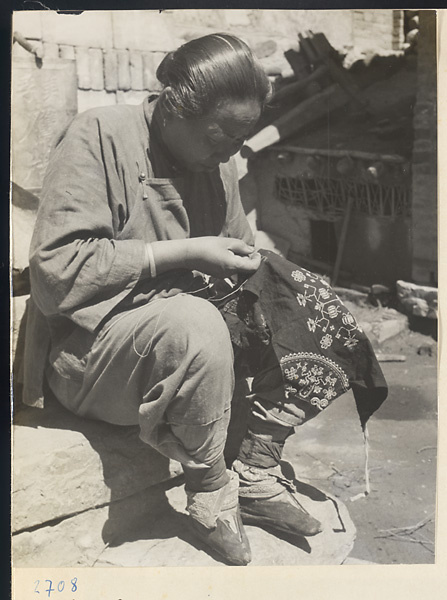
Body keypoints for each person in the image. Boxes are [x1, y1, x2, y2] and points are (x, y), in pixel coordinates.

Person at [24, 33, 387, 566]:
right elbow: (55, 274)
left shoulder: (216, 161)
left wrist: (270, 279)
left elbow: (234, 256)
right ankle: (211, 492)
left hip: (188, 339)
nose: (233, 154)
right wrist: (184, 251)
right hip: (92, 353)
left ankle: (256, 468)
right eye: (223, 138)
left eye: (242, 140)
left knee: (306, 296)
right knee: (195, 322)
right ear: (175, 109)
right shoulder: (99, 135)